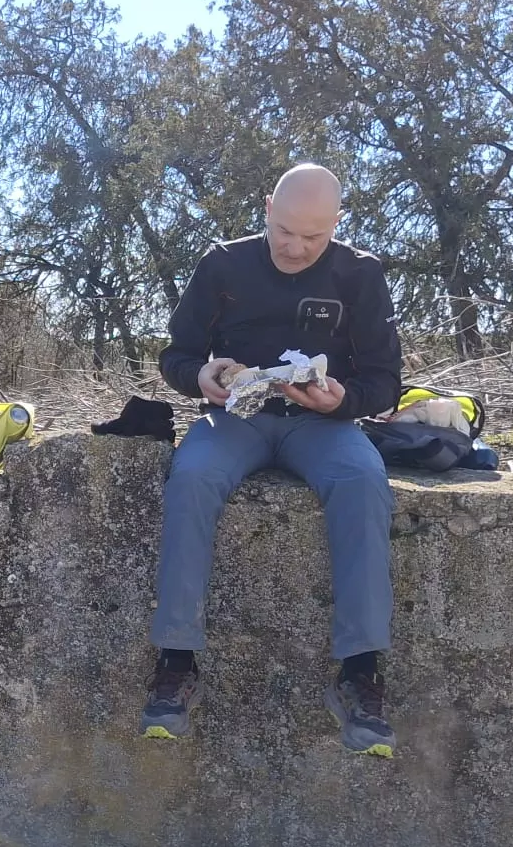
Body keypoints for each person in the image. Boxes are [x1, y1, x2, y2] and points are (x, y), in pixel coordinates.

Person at [142, 163, 403, 756]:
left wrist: (344, 399)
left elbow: (385, 380)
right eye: (284, 230)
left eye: (314, 236)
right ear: (266, 207)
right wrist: (200, 376)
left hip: (322, 424)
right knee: (192, 476)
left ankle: (360, 674)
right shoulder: (222, 264)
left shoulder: (361, 274)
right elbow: (177, 356)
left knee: (364, 480)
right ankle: (176, 662)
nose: (296, 247)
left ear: (338, 223)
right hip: (234, 420)